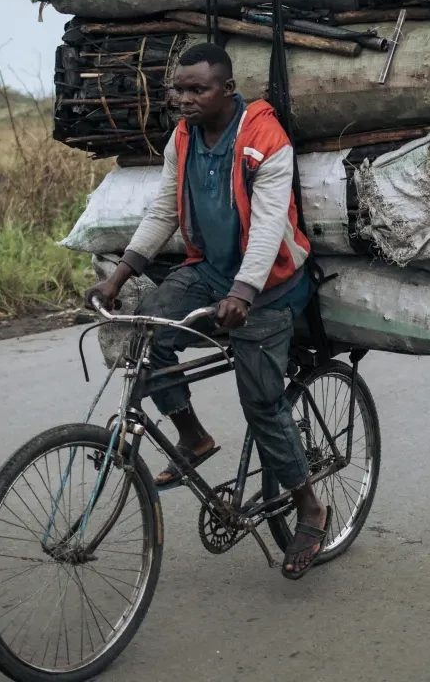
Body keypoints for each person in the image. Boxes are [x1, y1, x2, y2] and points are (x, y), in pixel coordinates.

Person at [85, 43, 330, 579]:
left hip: (271, 283)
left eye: (198, 90)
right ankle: (193, 436)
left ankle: (310, 506)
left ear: (227, 90)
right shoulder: (182, 138)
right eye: (180, 89)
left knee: (262, 401)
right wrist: (120, 276)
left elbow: (268, 226)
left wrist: (244, 292)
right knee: (147, 331)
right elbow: (165, 209)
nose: (185, 99)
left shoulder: (265, 138)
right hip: (210, 271)